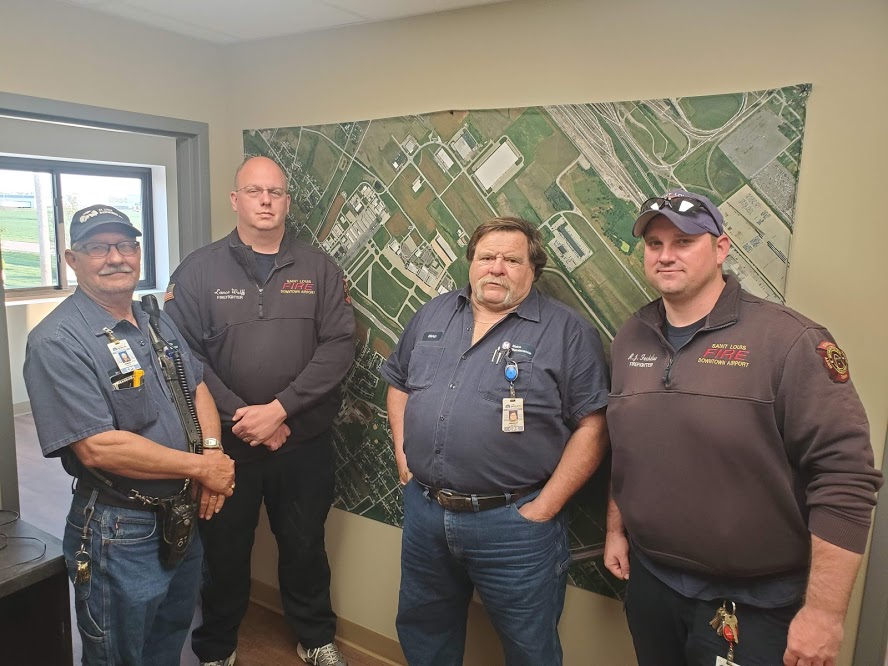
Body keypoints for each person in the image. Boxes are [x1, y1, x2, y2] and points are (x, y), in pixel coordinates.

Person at [603, 189, 883, 666]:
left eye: (684, 240)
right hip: (652, 585)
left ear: (721, 247)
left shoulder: (790, 341)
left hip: (752, 605)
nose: (666, 255)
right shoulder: (632, 334)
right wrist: (615, 529)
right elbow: (627, 445)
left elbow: (845, 480)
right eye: (654, 243)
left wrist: (824, 614)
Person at [381, 216, 610, 665]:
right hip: (426, 514)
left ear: (532, 270)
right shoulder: (434, 313)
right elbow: (399, 386)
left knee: (530, 648)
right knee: (424, 631)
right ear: (471, 264)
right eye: (487, 257)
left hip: (513, 527)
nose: (497, 268)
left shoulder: (567, 333)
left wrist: (543, 509)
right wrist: (404, 459)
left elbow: (594, 428)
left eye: (511, 259)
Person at [24, 204, 235, 665]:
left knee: (169, 637)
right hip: (120, 532)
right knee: (119, 655)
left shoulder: (154, 318)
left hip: (180, 515)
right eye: (97, 247)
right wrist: (206, 467)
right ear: (71, 258)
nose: (114, 257)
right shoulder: (58, 341)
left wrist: (213, 451)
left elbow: (195, 385)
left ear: (138, 252)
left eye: (124, 245)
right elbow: (97, 446)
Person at [165, 156, 355, 666]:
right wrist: (244, 417)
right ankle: (217, 648)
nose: (266, 201)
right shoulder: (199, 271)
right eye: (255, 191)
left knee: (304, 546)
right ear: (236, 200)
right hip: (227, 448)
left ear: (287, 201)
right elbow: (182, 356)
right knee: (224, 553)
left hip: (303, 443)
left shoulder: (318, 268)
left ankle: (314, 639)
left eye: (275, 192)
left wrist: (280, 410)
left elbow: (338, 346)